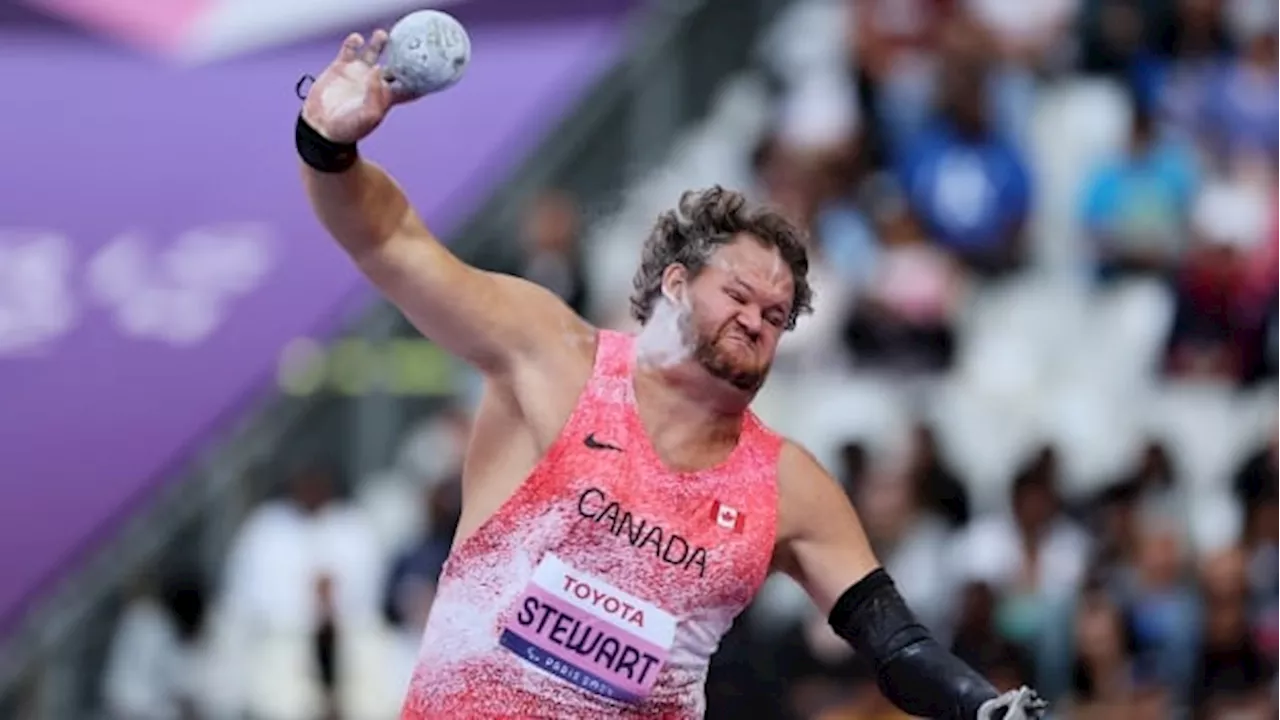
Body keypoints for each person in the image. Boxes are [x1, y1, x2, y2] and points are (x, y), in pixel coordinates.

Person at [294, 29, 1048, 720]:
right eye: (741, 296)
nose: (758, 320)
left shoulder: (785, 487)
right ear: (677, 285)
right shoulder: (553, 358)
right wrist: (328, 144)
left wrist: (979, 706)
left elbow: (897, 644)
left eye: (778, 316)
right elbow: (391, 239)